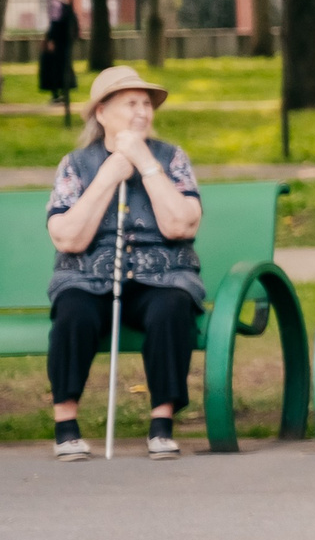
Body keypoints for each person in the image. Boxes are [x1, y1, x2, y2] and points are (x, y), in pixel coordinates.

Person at [43, 66, 206, 461]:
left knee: (171, 308)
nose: (142, 112)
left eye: (146, 104)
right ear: (101, 112)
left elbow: (181, 224)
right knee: (73, 311)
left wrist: (145, 164)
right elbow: (68, 236)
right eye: (130, 103)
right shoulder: (76, 164)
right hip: (91, 274)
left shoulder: (172, 158)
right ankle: (66, 426)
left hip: (160, 274)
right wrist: (108, 175)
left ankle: (162, 423)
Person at [39, 0, 80, 104]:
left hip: (58, 41)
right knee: (63, 65)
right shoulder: (60, 2)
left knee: (53, 66)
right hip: (64, 41)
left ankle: (57, 95)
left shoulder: (53, 3)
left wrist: (51, 40)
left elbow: (55, 23)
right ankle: (63, 94)